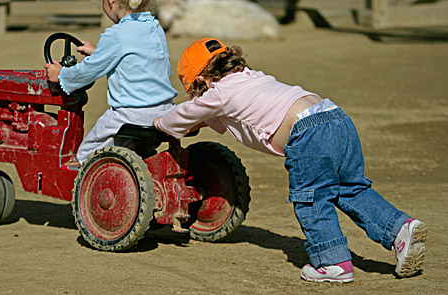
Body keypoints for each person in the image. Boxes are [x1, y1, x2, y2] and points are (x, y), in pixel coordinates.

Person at [153, 37, 427, 283]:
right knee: (350, 188)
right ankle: (399, 229)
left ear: (202, 82)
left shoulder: (219, 94)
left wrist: (158, 123)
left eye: (195, 91)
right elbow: (214, 120)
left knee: (310, 198)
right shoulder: (251, 77)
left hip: (307, 133)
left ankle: (333, 263)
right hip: (336, 117)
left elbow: (180, 117)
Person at [46, 0, 177, 163]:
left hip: (130, 115)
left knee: (86, 155)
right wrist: (99, 52)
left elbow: (86, 73)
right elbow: (136, 60)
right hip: (164, 110)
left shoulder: (116, 35)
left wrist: (60, 74)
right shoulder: (154, 27)